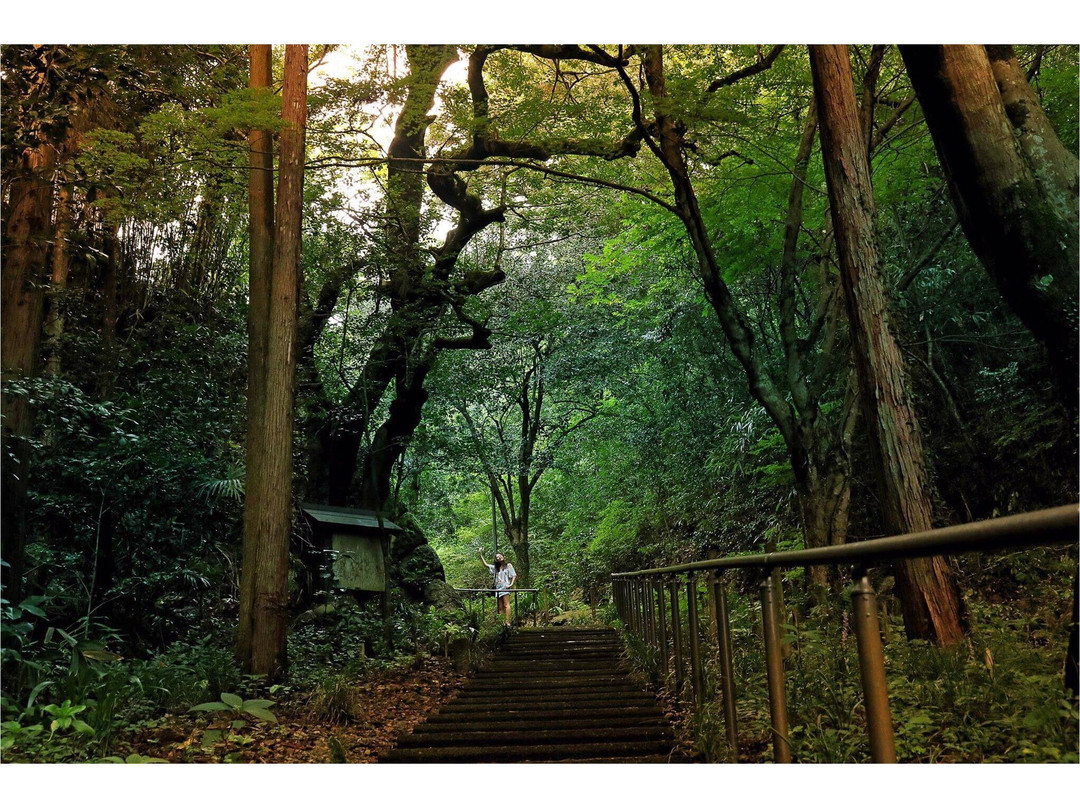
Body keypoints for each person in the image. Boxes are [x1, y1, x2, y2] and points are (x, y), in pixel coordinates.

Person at [478, 548, 517, 626]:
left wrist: (511, 584)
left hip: (505, 586)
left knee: (506, 604)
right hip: (497, 587)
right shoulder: (495, 568)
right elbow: (486, 565)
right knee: (500, 607)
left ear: (503, 556)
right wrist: (480, 554)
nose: (499, 557)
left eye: (500, 556)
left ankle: (508, 622)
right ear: (496, 560)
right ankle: (503, 623)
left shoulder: (508, 565)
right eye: (497, 557)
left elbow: (514, 575)